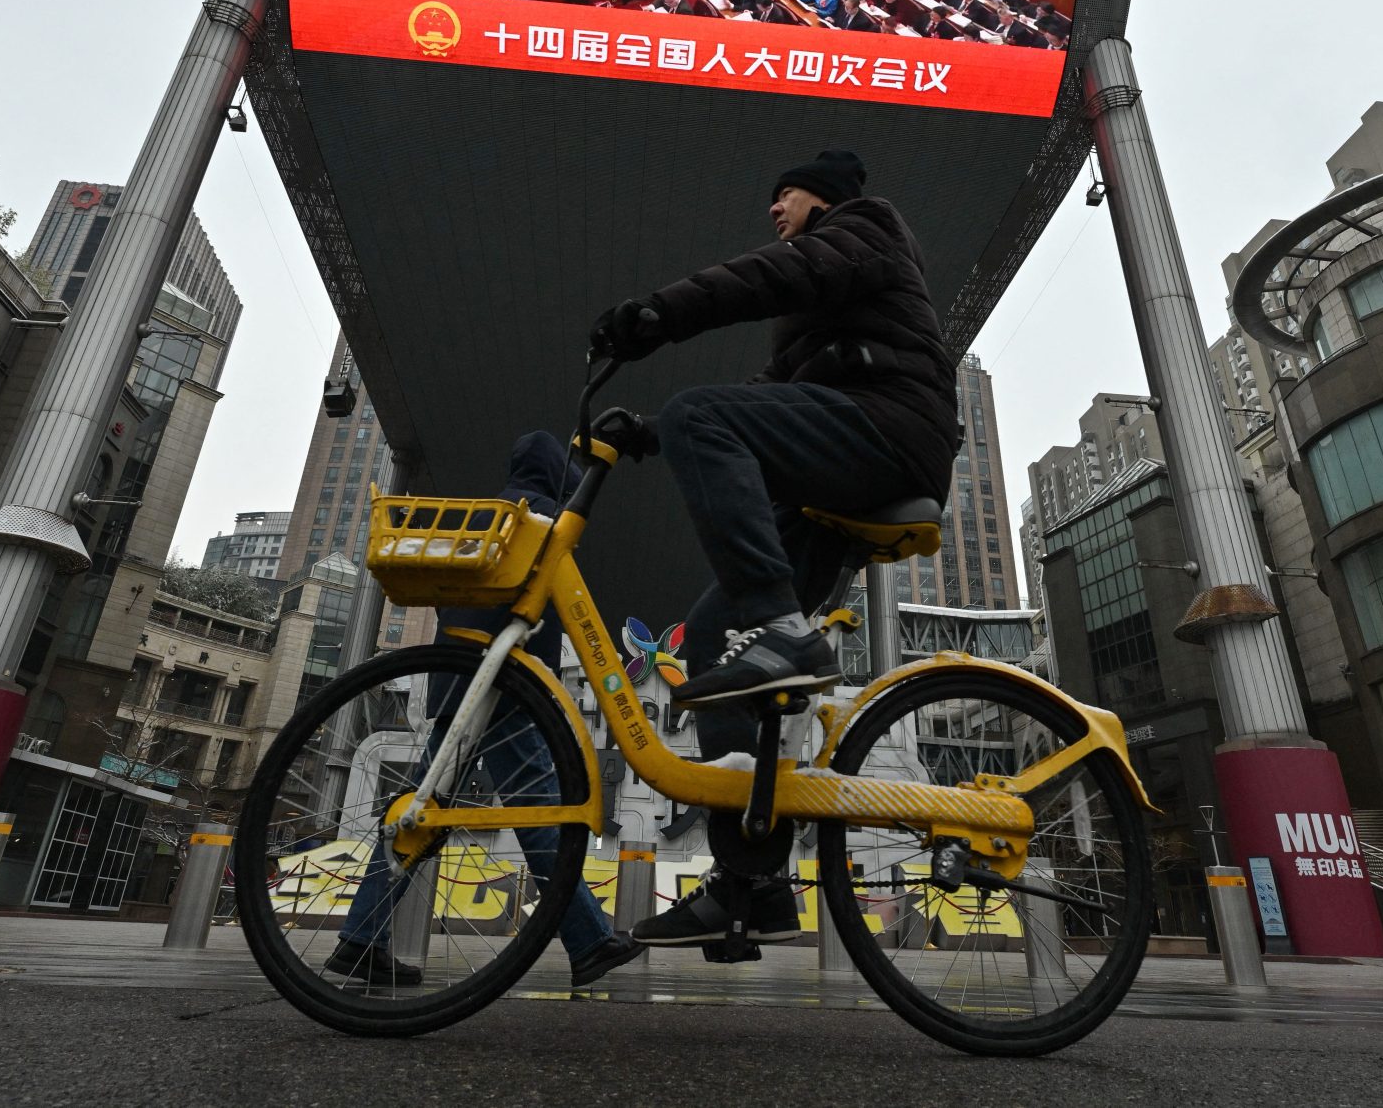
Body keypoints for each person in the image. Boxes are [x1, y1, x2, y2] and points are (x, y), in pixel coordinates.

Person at [586, 150, 957, 947]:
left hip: (890, 434)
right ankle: (749, 885)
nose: (772, 210)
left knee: (701, 414)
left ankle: (785, 631)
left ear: (820, 197)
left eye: (781, 193)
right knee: (714, 632)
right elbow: (767, 396)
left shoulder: (867, 226)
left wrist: (659, 313)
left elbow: (762, 278)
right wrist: (649, 432)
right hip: (846, 468)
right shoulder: (827, 313)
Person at [326, 433, 647, 990]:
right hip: (506, 687)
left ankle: (361, 938)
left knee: (418, 811)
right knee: (542, 810)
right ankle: (590, 941)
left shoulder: (483, 517)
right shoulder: (540, 519)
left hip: (458, 684)